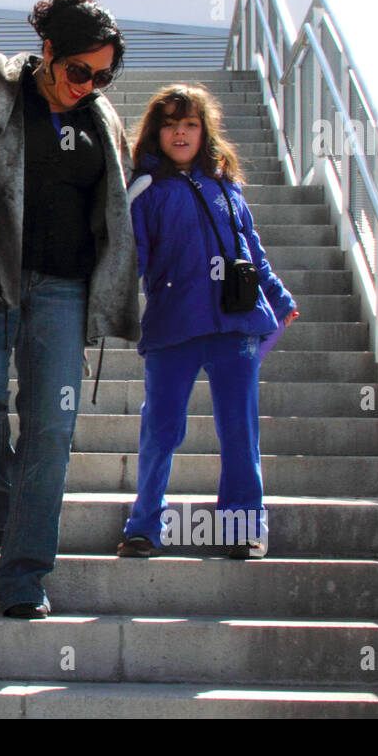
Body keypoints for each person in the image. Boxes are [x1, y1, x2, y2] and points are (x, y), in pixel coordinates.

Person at [0, 0, 142, 618]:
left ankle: (24, 574)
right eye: (79, 71)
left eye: (104, 75)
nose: (90, 85)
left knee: (51, 428)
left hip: (64, 290)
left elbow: (115, 211)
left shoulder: (101, 121)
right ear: (47, 51)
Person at [116, 84, 299, 560]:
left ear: (205, 132)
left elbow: (251, 250)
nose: (181, 132)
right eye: (171, 124)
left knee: (239, 428)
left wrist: (278, 297)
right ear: (155, 132)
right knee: (161, 428)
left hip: (235, 326)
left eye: (191, 124)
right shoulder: (145, 191)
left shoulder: (227, 188)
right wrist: (103, 306)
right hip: (173, 327)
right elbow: (132, 257)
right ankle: (144, 525)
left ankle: (242, 526)